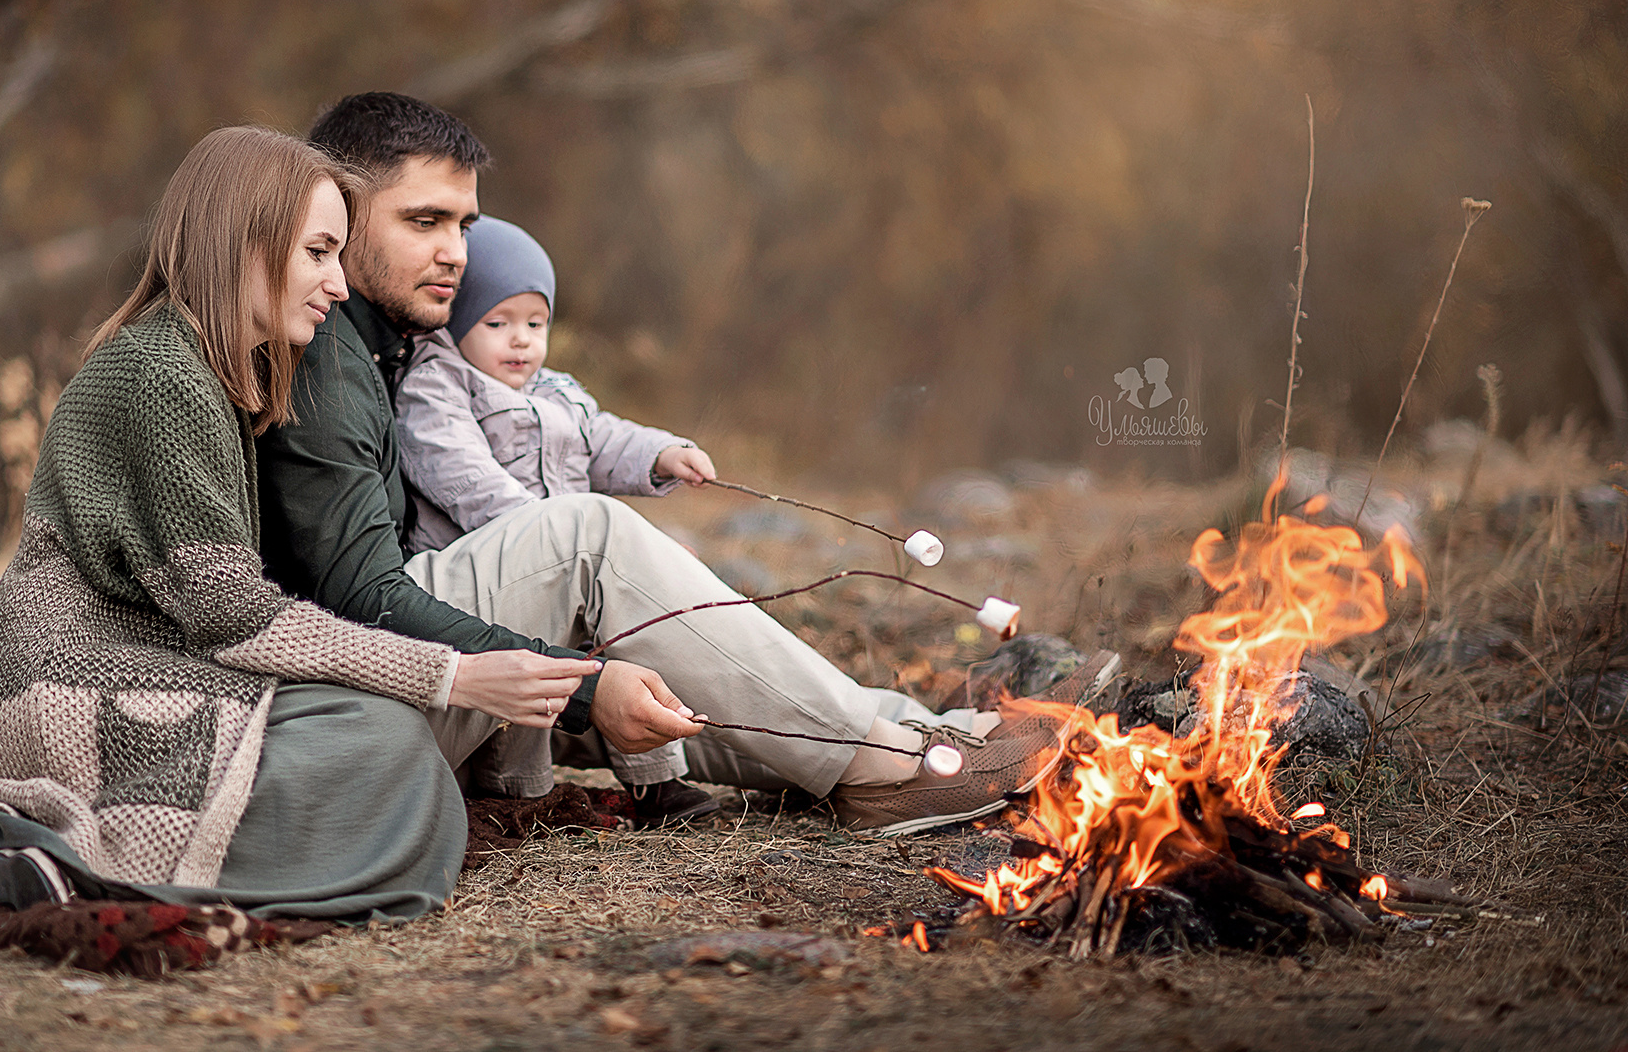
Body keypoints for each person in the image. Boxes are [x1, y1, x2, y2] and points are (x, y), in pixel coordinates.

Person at [255, 92, 1119, 835]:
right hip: (352, 719)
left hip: (403, 684)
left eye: (464, 225)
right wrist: (582, 682)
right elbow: (359, 598)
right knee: (577, 534)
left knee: (645, 630)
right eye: (424, 221)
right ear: (337, 209)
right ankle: (888, 765)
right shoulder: (323, 353)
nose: (457, 251)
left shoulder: (391, 346)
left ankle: (925, 736)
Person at [0, 126, 601, 919]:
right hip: (65, 693)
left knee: (381, 737)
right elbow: (233, 616)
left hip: (141, 669)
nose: (339, 285)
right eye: (318, 253)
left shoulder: (207, 365)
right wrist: (456, 674)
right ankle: (62, 865)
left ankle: (72, 860)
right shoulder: (158, 372)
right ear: (242, 243)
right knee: (386, 744)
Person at [393, 215, 720, 820]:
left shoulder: (556, 392)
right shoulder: (435, 389)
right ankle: (515, 793)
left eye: (535, 324)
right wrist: (554, 540)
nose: (521, 341)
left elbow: (603, 438)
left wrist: (661, 453)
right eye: (497, 323)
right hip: (490, 574)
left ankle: (657, 778)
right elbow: (463, 477)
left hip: (568, 563)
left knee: (625, 637)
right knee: (534, 677)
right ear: (459, 321)